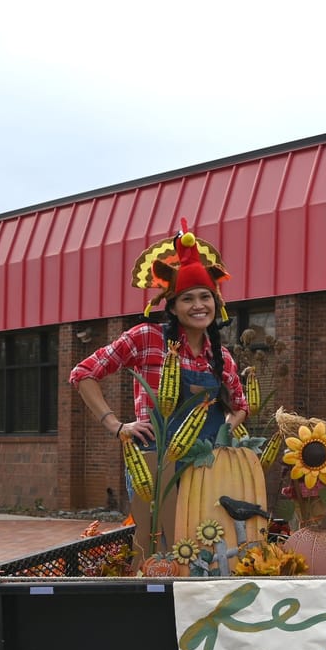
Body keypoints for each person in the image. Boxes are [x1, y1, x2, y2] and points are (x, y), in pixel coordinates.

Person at [69, 221, 248, 558]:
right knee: (155, 553)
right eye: (188, 298)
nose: (199, 305)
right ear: (172, 305)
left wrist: (224, 432)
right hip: (155, 465)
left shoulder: (221, 357)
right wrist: (115, 425)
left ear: (216, 302)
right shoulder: (146, 338)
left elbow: (240, 405)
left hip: (205, 471)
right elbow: (84, 374)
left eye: (205, 297)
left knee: (203, 552)